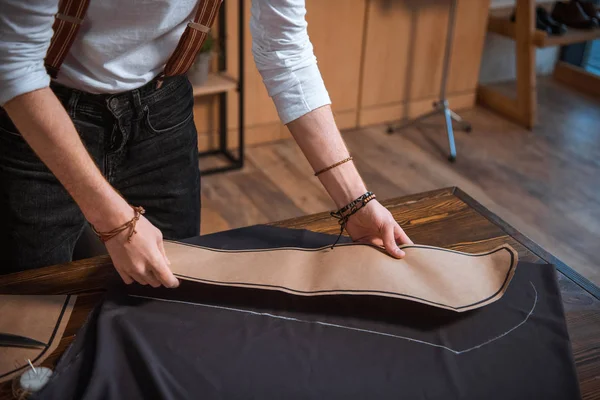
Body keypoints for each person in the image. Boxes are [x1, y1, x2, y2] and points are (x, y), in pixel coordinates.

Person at [0, 0, 412, 286]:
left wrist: (355, 203)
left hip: (161, 110)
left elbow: (284, 48)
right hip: (40, 113)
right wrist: (118, 225)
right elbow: (14, 65)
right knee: (35, 304)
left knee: (172, 286)